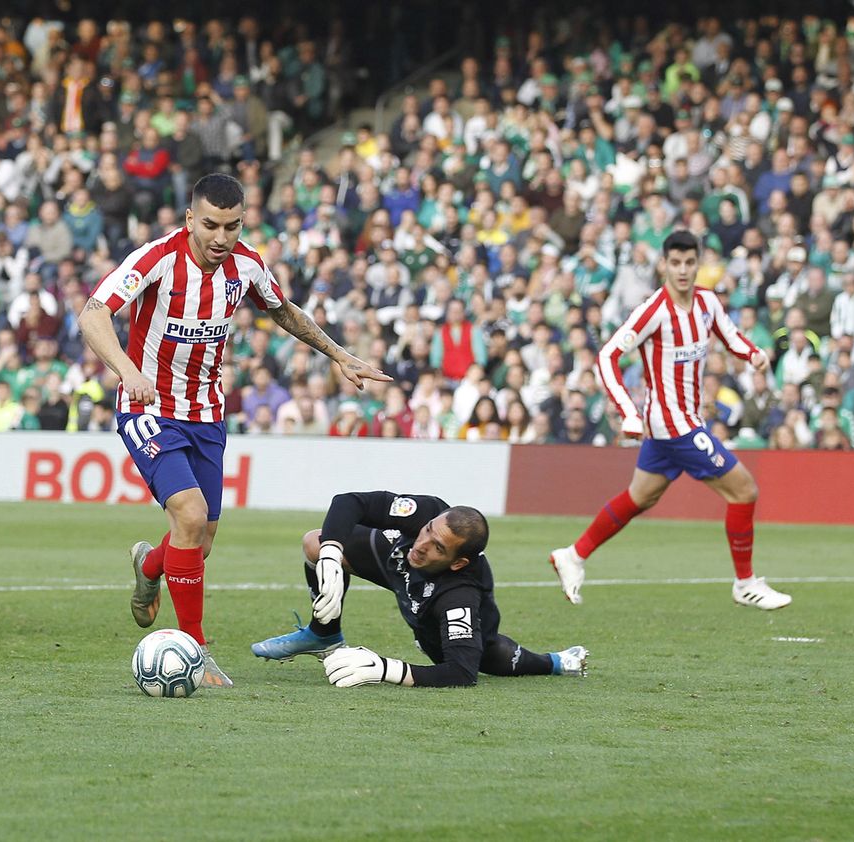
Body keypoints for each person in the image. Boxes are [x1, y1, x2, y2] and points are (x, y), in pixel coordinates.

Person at [78, 173, 390, 688]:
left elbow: (283, 311)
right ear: (189, 220)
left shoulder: (246, 264)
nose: (221, 237)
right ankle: (195, 653)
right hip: (149, 407)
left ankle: (150, 566)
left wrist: (338, 354)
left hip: (206, 413)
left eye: (232, 225)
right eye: (210, 225)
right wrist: (126, 371)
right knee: (190, 513)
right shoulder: (155, 259)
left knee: (198, 544)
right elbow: (93, 316)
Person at [548, 231, 792, 610]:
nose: (682, 271)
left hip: (683, 423)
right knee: (744, 490)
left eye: (689, 263)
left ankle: (573, 555)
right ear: (664, 264)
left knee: (640, 497)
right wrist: (628, 411)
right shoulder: (654, 311)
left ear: (698, 264)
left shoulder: (707, 303)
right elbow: (607, 356)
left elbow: (732, 337)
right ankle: (745, 583)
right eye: (675, 263)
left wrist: (755, 354)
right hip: (673, 426)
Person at [249, 490, 589, 688]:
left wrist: (385, 669)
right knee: (316, 542)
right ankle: (324, 633)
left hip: (432, 611)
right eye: (427, 531)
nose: (422, 543)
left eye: (438, 547)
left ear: (457, 562)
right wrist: (330, 555)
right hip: (398, 568)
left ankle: (555, 662)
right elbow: (349, 502)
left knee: (487, 654)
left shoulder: (461, 595)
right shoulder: (426, 513)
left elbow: (461, 672)